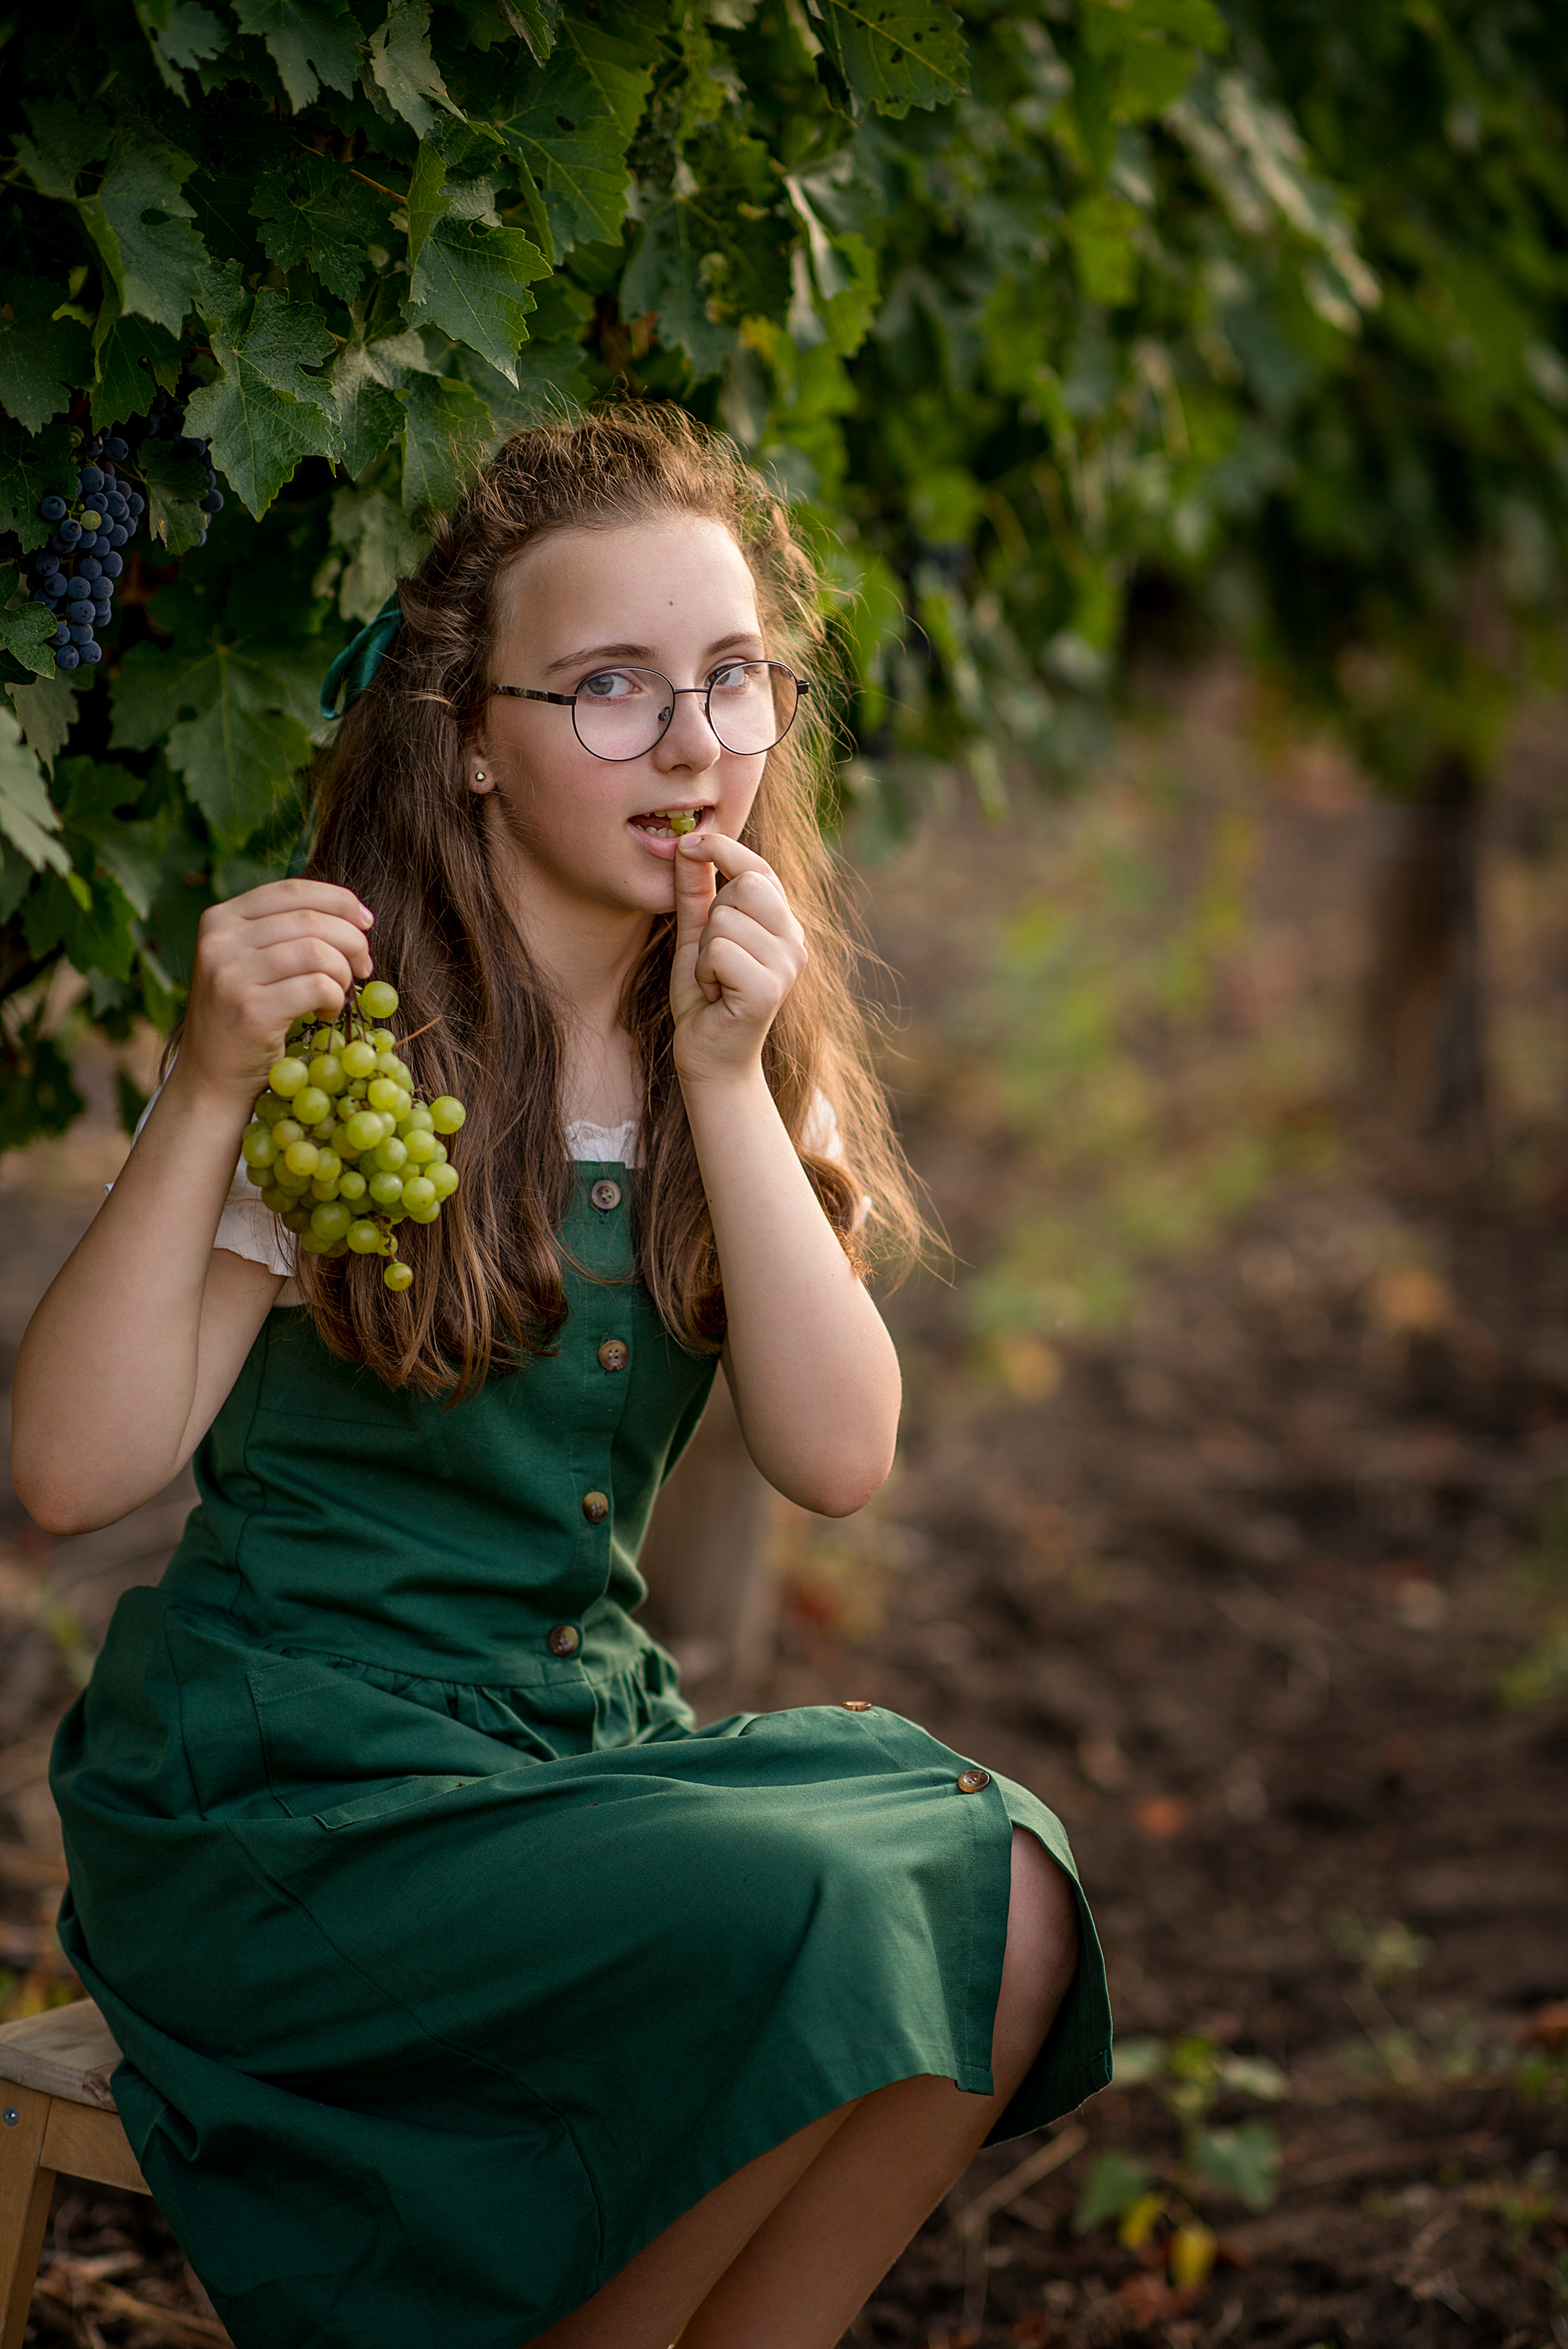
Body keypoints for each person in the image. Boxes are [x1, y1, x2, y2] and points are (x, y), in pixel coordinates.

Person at [12, 407, 1110, 2349]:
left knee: (1004, 1890)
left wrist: (717, 1083)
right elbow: (71, 1473)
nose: (691, 744)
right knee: (808, 1912)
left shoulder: (746, 1053)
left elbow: (838, 1453)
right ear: (472, 744)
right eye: (610, 689)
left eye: (731, 680)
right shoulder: (356, 1059)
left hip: (568, 1767)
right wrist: (203, 1089)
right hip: (298, 1806)